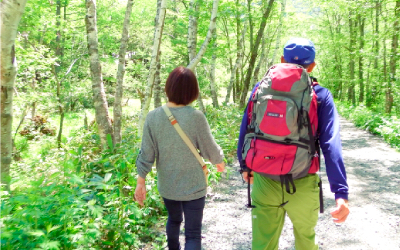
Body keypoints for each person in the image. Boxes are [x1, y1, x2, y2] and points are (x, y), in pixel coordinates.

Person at [237, 38, 350, 250]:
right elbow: (331, 145)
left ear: (282, 60)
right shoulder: (320, 95)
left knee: (263, 244)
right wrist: (340, 193)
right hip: (302, 179)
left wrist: (245, 166)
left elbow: (246, 129)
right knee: (306, 242)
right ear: (313, 65)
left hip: (264, 178)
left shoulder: (260, 89)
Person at [135, 66, 225, 250]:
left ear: (169, 88)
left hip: (168, 185)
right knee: (193, 234)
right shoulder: (196, 117)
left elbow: (147, 153)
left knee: (174, 220)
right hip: (194, 185)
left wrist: (140, 181)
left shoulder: (153, 117)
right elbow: (209, 147)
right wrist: (219, 161)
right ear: (193, 91)